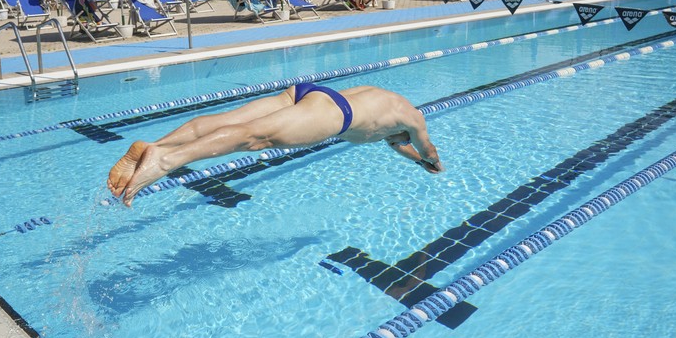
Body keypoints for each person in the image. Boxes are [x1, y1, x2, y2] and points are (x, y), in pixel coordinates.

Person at [108, 84, 443, 206]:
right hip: (333, 115)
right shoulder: (414, 120)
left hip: (311, 92)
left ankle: (153, 143)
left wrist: (412, 159)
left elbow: (397, 145)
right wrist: (433, 164)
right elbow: (430, 153)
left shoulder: (389, 103)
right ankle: (166, 159)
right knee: (252, 137)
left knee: (229, 120)